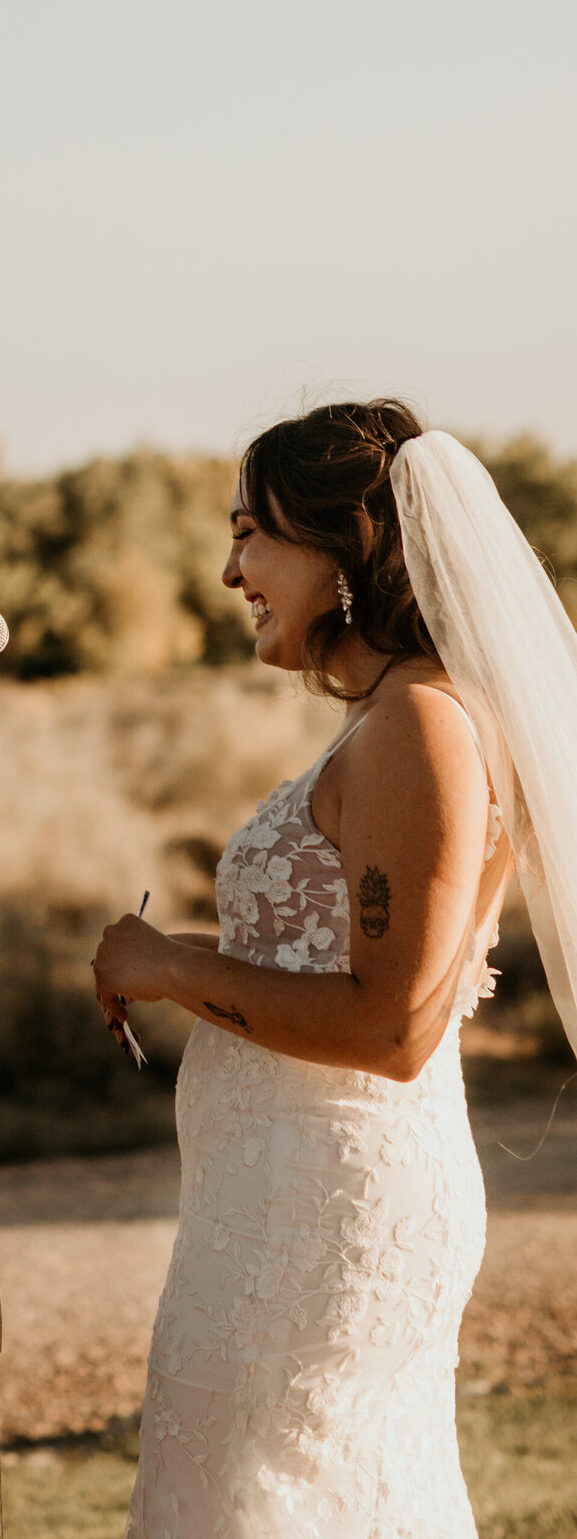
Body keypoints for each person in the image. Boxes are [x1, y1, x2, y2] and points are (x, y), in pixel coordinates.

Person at [94, 399, 577, 1538]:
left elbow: (389, 1028)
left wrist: (168, 966)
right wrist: (180, 961)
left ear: (346, 547)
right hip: (276, 1201)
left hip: (324, 1219)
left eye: (252, 533)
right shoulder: (384, 720)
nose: (229, 571)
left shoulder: (421, 725)